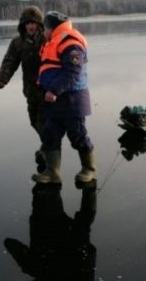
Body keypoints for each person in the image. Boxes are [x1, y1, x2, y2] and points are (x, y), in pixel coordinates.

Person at [32, 11, 96, 184]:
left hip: (72, 100)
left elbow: (73, 72)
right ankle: (52, 173)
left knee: (78, 135)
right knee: (50, 135)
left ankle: (89, 169)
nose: (43, 32)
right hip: (55, 102)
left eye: (44, 29)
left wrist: (53, 90)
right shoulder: (53, 41)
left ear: (51, 28)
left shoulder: (70, 42)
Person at [3, 183, 97, 281]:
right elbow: (11, 244)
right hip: (50, 238)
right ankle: (51, 176)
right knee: (45, 191)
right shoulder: (37, 269)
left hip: (74, 248)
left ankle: (89, 184)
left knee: (84, 220)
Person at [0, 5, 46, 138]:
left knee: (45, 125)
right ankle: (47, 150)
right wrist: (3, 79)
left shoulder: (47, 40)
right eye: (28, 23)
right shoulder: (17, 43)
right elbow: (10, 61)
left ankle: (48, 151)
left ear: (39, 24)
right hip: (30, 90)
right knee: (34, 122)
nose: (31, 26)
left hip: (47, 90)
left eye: (33, 23)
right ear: (23, 25)